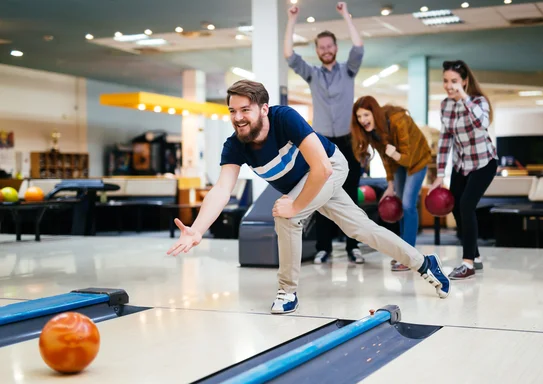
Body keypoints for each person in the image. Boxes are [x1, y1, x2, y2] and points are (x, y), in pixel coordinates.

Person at [167, 80, 451, 314]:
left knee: (286, 216)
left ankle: (287, 292)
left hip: (331, 167)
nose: (238, 117)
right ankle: (425, 264)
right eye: (232, 111)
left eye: (245, 110)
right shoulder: (235, 145)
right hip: (310, 180)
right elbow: (221, 189)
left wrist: (295, 206)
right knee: (362, 229)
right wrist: (198, 229)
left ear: (263, 109)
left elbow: (322, 168)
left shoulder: (284, 119)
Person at [284, 2, 365, 264]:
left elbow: (359, 47)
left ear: (335, 49)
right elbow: (288, 55)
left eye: (330, 46)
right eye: (322, 47)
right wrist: (292, 19)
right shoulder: (313, 75)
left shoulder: (348, 70)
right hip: (322, 143)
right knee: (320, 194)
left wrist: (345, 15)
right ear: (317, 51)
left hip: (348, 140)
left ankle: (354, 247)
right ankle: (324, 248)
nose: (326, 50)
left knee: (351, 195)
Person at [430, 60, 498, 280]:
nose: (449, 86)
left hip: (483, 163)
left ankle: (467, 263)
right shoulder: (445, 105)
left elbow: (482, 123)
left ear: (465, 81)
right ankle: (475, 256)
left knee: (467, 205)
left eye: (454, 82)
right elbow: (445, 140)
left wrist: (465, 98)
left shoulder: (478, 102)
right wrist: (440, 175)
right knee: (456, 207)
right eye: (446, 81)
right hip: (461, 164)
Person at [351, 96, 431, 272]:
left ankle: (410, 257)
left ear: (375, 112)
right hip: (397, 164)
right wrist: (390, 184)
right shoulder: (372, 132)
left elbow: (408, 159)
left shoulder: (398, 120)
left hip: (417, 161)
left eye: (366, 114)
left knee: (409, 205)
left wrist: (394, 155)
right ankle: (403, 252)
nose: (363, 120)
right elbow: (385, 158)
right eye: (359, 116)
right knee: (401, 205)